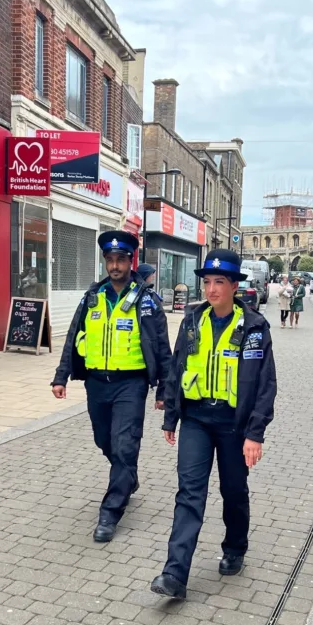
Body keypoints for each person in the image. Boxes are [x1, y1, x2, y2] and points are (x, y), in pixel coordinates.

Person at [150, 249, 277, 600]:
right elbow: (176, 368)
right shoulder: (192, 320)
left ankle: (235, 547)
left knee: (233, 492)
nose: (211, 289)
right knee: (189, 493)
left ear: (235, 285)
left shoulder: (253, 327)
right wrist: (171, 415)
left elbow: (265, 384)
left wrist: (255, 433)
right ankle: (174, 574)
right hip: (197, 420)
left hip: (234, 425)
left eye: (219, 282)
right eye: (207, 282)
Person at [52, 231, 171, 543]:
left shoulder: (146, 301)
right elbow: (72, 337)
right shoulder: (92, 297)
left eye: (121, 259)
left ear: (131, 262)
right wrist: (61, 376)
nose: (115, 265)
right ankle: (127, 475)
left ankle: (111, 511)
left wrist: (164, 391)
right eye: (110, 259)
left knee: (124, 444)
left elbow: (162, 348)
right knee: (103, 439)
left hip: (131, 383)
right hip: (96, 383)